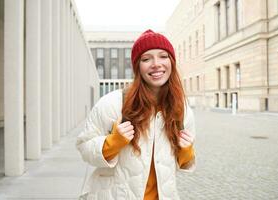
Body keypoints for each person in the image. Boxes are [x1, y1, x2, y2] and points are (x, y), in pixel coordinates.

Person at [76, 29, 196, 200]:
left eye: (163, 56)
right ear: (137, 67)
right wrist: (113, 142)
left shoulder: (182, 110)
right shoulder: (113, 103)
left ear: (172, 62)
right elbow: (84, 147)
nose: (156, 64)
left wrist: (187, 150)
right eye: (146, 59)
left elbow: (183, 162)